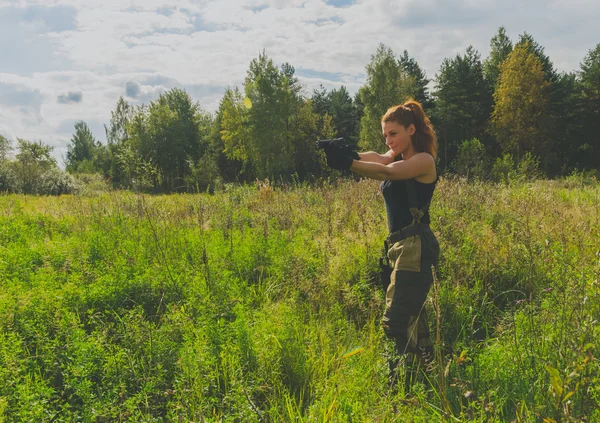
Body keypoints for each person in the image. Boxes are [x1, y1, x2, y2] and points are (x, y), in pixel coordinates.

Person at [322, 99, 440, 395]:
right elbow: (378, 158)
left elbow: (387, 173)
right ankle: (427, 378)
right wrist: (349, 152)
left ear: (411, 130)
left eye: (394, 134)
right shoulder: (394, 155)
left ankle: (398, 388)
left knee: (396, 320)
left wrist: (348, 164)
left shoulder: (423, 161)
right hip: (400, 247)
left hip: (415, 245)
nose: (389, 141)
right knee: (413, 317)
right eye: (385, 135)